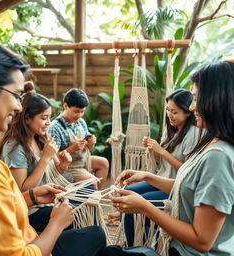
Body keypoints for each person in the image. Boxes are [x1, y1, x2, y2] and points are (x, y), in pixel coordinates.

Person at [0, 38, 106, 256]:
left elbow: (6, 201)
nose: (18, 106)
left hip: (32, 223)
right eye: (16, 95)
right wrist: (56, 224)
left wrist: (35, 195)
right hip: (32, 238)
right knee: (94, 235)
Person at [110, 61, 234, 255]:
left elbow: (202, 241)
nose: (192, 107)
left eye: (195, 98)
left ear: (217, 100)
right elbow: (188, 187)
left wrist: (145, 207)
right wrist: (147, 176)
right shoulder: (210, 143)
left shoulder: (219, 158)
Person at [108, 89, 202, 245]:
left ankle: (135, 245)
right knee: (126, 192)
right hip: (163, 180)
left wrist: (162, 152)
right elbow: (161, 164)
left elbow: (186, 172)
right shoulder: (171, 130)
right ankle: (142, 234)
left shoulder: (192, 134)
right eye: (168, 110)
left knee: (135, 206)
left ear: (188, 113)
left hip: (176, 188)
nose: (170, 115)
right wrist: (153, 150)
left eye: (175, 112)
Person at [0, 82, 74, 232]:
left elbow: (51, 174)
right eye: (44, 118)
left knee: (85, 204)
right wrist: (45, 158)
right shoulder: (14, 146)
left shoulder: (41, 138)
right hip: (30, 210)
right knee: (75, 214)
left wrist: (62, 165)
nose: (48, 123)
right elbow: (22, 190)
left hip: (48, 201)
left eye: (49, 117)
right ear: (27, 118)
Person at [48, 88, 109, 190]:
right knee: (93, 181)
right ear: (65, 106)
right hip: (70, 166)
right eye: (76, 111)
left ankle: (97, 196)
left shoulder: (80, 122)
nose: (79, 115)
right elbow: (52, 159)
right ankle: (94, 198)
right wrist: (72, 148)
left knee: (104, 163)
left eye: (82, 111)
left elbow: (89, 149)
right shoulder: (55, 128)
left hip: (83, 160)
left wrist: (91, 144)